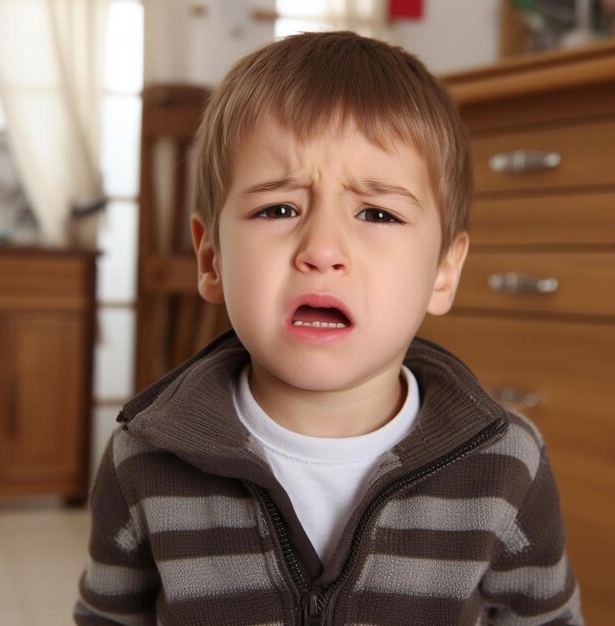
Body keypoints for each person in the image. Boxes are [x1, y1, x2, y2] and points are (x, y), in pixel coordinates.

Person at [75, 31, 582, 625]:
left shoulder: (505, 464)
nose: (322, 249)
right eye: (278, 208)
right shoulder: (144, 458)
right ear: (211, 260)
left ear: (445, 272)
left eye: (377, 212)